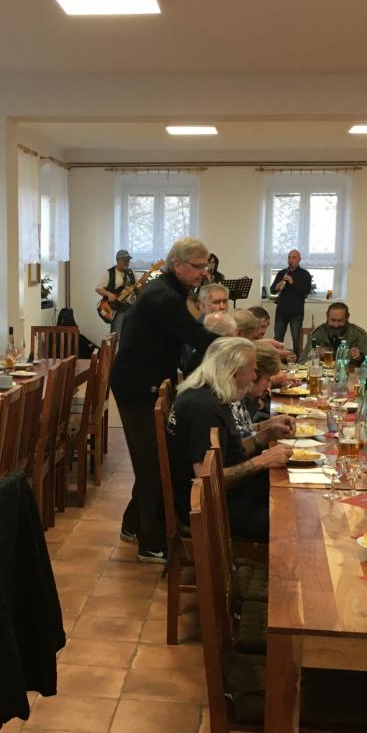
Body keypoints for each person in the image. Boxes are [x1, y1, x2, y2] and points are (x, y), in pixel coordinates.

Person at [109, 237, 221, 562]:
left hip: (148, 381)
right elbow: (197, 337)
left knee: (154, 458)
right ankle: (150, 542)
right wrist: (242, 344)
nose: (204, 273)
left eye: (206, 267)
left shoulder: (170, 290)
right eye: (199, 267)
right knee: (152, 464)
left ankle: (132, 525)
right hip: (137, 386)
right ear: (178, 265)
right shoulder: (164, 297)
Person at [167, 337, 293, 543]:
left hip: (231, 493)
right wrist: (262, 461)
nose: (255, 376)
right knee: (292, 522)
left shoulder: (212, 393)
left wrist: (265, 436)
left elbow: (227, 452)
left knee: (292, 494)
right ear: (234, 372)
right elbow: (207, 480)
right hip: (212, 507)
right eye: (252, 370)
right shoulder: (203, 408)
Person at [300, 302, 367, 366]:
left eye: (340, 321)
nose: (336, 325)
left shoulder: (358, 334)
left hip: (350, 376)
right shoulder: (317, 334)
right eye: (333, 320)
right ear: (327, 317)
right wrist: (316, 356)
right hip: (324, 376)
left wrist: (361, 357)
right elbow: (302, 362)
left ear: (347, 317)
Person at [269, 249, 317, 354]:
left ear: (299, 259)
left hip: (296, 312)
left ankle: (297, 360)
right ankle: (278, 358)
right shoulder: (282, 273)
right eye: (289, 257)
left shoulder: (304, 274)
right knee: (278, 337)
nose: (291, 260)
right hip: (281, 310)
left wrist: (292, 282)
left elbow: (306, 290)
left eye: (294, 257)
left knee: (296, 338)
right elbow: (272, 290)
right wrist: (277, 286)